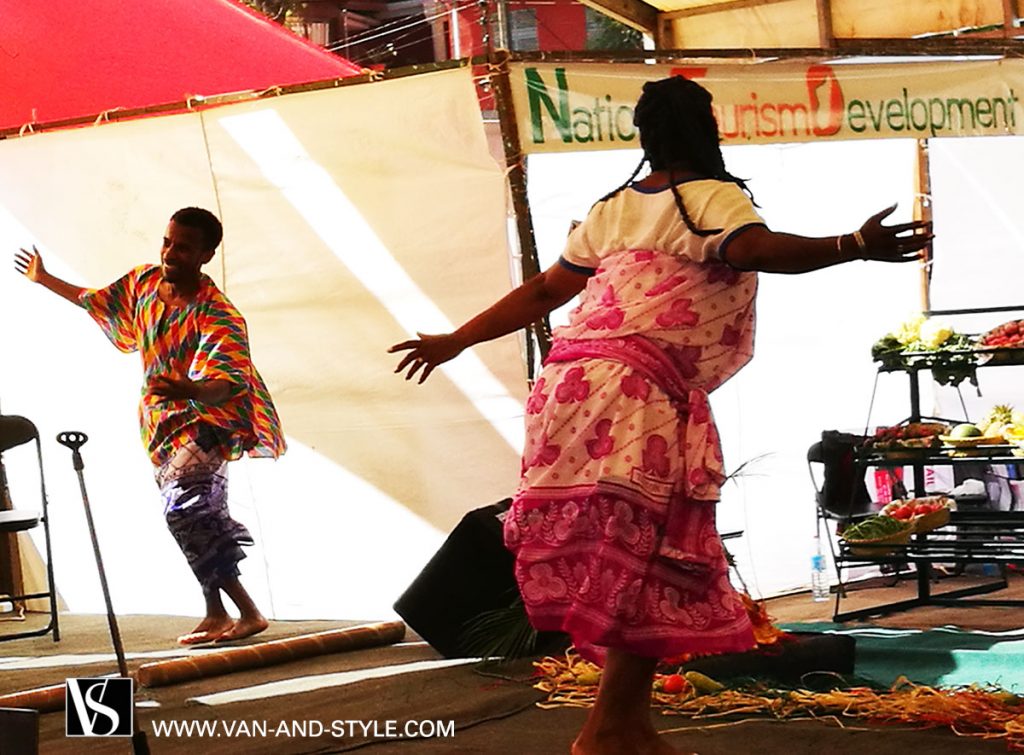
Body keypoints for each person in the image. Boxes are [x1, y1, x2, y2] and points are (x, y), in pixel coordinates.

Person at [391, 76, 931, 754]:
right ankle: (607, 730)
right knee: (650, 554)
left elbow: (542, 290)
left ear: (644, 136)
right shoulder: (711, 200)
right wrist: (852, 242)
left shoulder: (612, 208)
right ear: (707, 130)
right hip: (633, 393)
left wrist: (455, 340)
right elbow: (755, 251)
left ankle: (624, 722)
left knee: (633, 556)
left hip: (568, 388)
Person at [14, 207, 286, 645]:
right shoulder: (143, 283)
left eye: (183, 247)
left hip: (208, 421)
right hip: (160, 425)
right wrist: (45, 279)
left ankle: (248, 611)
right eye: (167, 241)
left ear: (206, 254)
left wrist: (191, 390)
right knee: (200, 518)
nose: (170, 253)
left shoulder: (218, 313)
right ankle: (217, 612)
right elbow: (96, 300)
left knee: (184, 510)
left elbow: (229, 383)